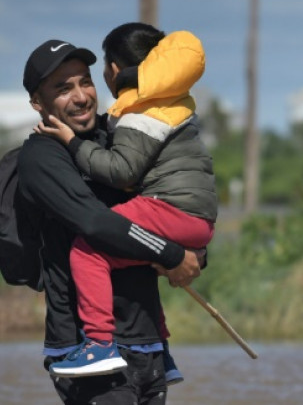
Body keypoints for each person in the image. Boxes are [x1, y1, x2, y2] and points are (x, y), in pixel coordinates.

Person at [18, 37, 202, 405]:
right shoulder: (42, 157)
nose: (80, 96)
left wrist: (192, 252)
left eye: (84, 82)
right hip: (84, 338)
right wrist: (171, 255)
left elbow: (171, 202)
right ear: (37, 103)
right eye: (62, 88)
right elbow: (94, 223)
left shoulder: (124, 134)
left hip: (144, 333)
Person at [38, 23, 217, 378]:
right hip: (196, 218)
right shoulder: (173, 102)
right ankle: (161, 353)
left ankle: (99, 344)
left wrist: (73, 143)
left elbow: (122, 171)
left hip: (171, 208)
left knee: (89, 248)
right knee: (133, 254)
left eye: (102, 66)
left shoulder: (139, 110)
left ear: (114, 70)